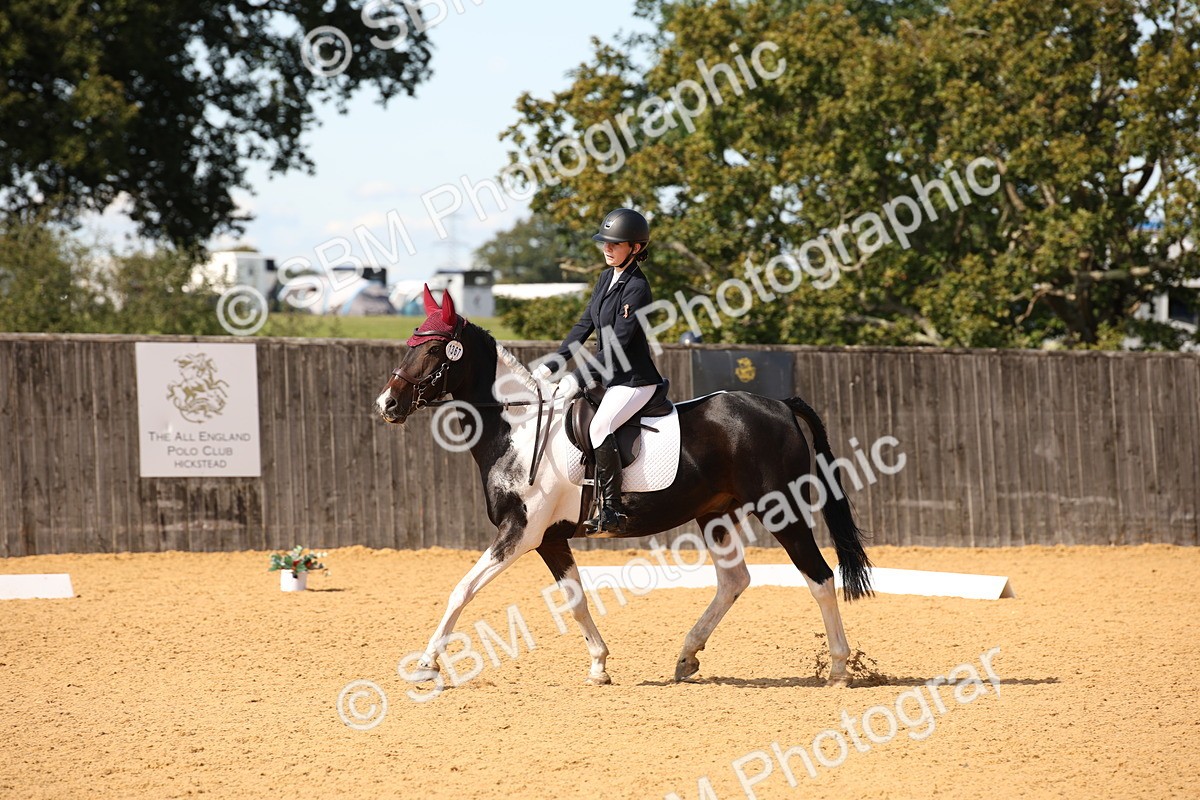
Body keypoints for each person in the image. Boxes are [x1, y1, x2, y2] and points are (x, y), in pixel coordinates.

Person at [533, 208, 665, 534]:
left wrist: (577, 378)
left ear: (635, 248)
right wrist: (553, 363)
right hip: (609, 377)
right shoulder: (606, 278)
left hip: (634, 380)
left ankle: (612, 509)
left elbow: (618, 345)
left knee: (600, 426)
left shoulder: (637, 288)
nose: (607, 248)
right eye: (605, 242)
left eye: (615, 244)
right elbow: (584, 325)